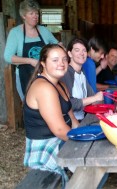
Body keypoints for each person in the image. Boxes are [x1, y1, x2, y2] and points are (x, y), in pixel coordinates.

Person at [23, 44, 79, 186]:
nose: (61, 63)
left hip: (59, 140)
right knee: (89, 163)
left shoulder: (60, 85)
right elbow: (60, 130)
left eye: (64, 59)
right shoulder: (44, 87)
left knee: (92, 159)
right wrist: (83, 141)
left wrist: (83, 134)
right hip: (45, 147)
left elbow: (72, 119)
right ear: (43, 63)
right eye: (55, 60)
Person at [4, 0, 61, 100]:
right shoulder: (15, 33)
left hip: (46, 75)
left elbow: (57, 45)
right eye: (31, 13)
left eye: (37, 13)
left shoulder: (43, 30)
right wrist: (30, 61)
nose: (35, 16)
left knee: (49, 103)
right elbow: (8, 57)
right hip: (25, 77)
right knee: (30, 106)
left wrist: (61, 48)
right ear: (23, 16)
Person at [60, 38, 104, 121]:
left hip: (82, 118)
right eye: (77, 50)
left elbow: (92, 96)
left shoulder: (81, 73)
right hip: (69, 122)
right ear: (69, 53)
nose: (81, 53)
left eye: (84, 50)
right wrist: (95, 98)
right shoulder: (66, 73)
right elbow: (68, 104)